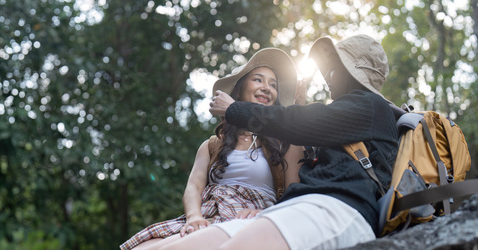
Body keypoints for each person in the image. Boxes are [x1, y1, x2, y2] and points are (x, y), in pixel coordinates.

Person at [157, 34, 399, 250]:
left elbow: (295, 122)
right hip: (298, 208)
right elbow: (304, 123)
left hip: (338, 208)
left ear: (349, 71)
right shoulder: (351, 114)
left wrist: (234, 109)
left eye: (334, 68)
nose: (327, 76)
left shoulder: (369, 106)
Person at [120, 48, 305, 250]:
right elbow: (193, 187)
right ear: (239, 89)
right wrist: (194, 217)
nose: (267, 88)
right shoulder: (213, 145)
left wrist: (264, 215)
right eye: (258, 80)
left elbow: (293, 197)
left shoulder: (286, 142)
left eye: (273, 84)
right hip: (209, 212)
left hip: (253, 216)